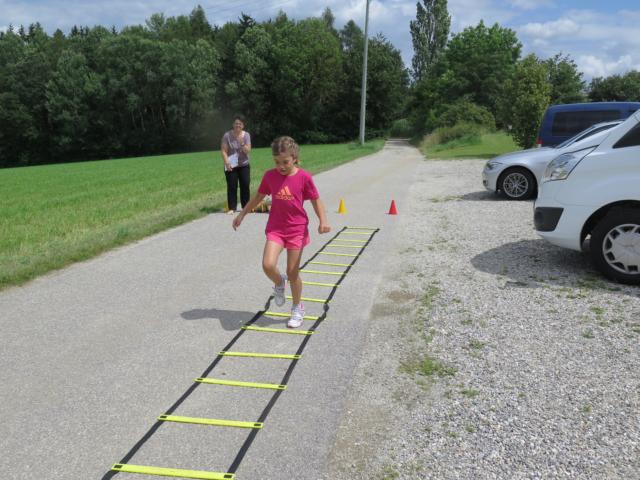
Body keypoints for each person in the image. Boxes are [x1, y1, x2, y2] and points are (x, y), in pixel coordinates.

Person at [232, 136, 331, 328]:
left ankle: (297, 307)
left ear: (294, 158)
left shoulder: (304, 177)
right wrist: (242, 214)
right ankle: (279, 283)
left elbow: (315, 200)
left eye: (285, 162)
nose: (281, 166)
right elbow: (258, 198)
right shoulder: (270, 176)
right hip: (276, 228)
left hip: (296, 229)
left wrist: (323, 221)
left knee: (292, 273)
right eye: (277, 162)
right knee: (268, 265)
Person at [221, 115, 252, 214]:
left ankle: (246, 207)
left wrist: (242, 143)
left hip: (244, 165)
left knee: (245, 185)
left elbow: (248, 151)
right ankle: (232, 208)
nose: (238, 125)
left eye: (240, 124)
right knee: (232, 186)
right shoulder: (227, 135)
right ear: (233, 124)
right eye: (236, 123)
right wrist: (227, 162)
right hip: (231, 164)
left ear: (243, 125)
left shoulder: (246, 135)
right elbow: (223, 150)